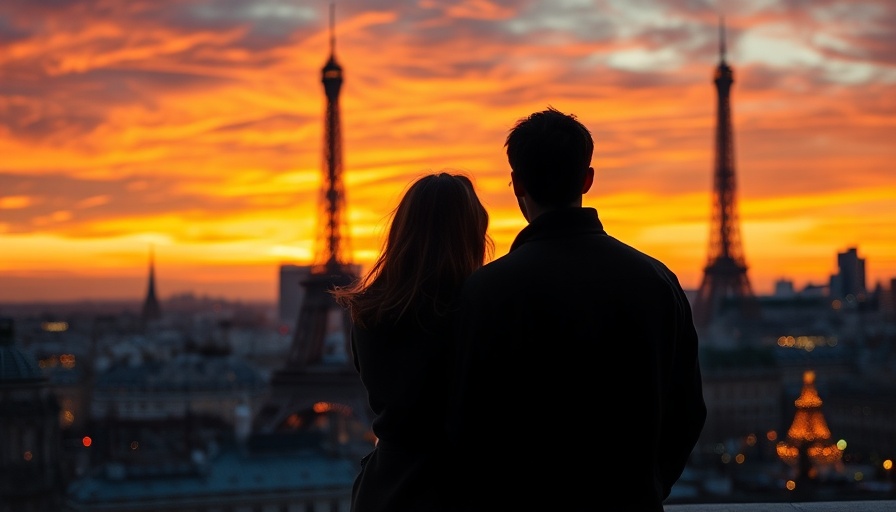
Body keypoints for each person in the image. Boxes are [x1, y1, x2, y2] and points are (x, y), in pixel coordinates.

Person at [447, 107, 706, 512]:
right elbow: (687, 412)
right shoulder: (656, 282)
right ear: (587, 179)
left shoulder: (483, 292)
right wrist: (646, 487)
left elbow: (464, 423)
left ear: (516, 184)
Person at [331, 171, 493, 512]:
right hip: (455, 488)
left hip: (385, 487)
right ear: (472, 236)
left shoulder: (369, 314)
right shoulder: (479, 312)